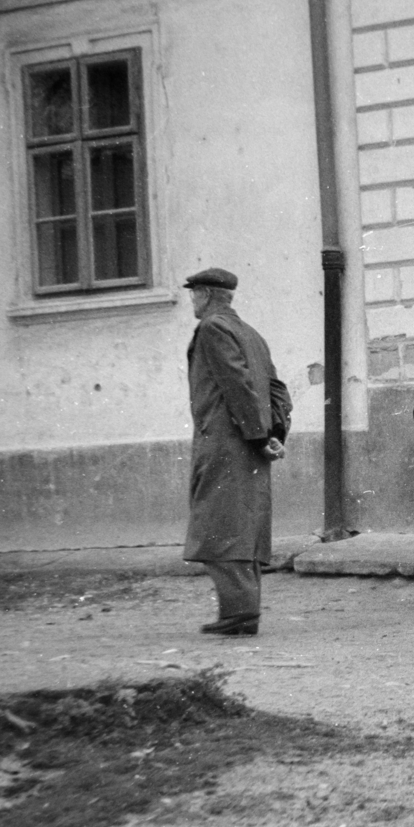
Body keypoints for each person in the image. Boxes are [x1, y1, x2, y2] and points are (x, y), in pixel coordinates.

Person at [182, 267, 291, 636]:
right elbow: (277, 389)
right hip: (252, 443)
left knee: (218, 528)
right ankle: (241, 611)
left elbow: (237, 385)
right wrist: (275, 434)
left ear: (208, 295)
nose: (192, 301)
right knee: (243, 528)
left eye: (194, 294)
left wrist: (259, 436)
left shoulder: (213, 329)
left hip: (227, 443)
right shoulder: (252, 334)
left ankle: (239, 613)